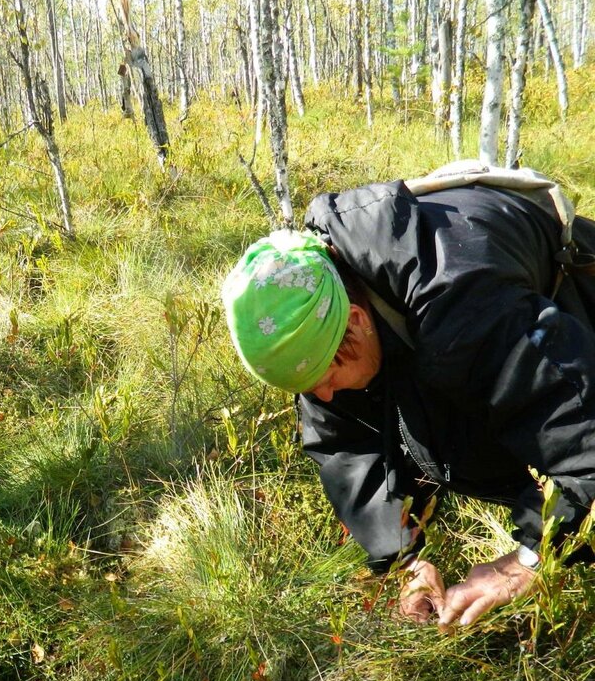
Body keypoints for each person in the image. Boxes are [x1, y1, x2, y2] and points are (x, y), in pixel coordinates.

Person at [221, 172, 595, 630]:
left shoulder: (464, 305)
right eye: (307, 389)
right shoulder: (319, 301)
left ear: (356, 321)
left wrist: (524, 564)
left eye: (326, 376)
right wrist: (404, 561)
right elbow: (344, 447)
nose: (321, 396)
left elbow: (588, 449)